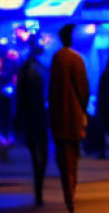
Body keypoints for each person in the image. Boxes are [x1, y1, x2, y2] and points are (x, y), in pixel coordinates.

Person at [49, 25, 89, 213]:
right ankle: (70, 194)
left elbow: (51, 91)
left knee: (62, 159)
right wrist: (83, 112)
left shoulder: (56, 59)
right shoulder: (76, 59)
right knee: (72, 158)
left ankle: (68, 192)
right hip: (72, 119)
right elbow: (83, 90)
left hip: (58, 119)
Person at [14, 41, 47, 207]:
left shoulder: (26, 72)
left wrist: (19, 120)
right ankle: (39, 192)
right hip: (40, 117)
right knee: (41, 155)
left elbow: (20, 100)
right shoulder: (40, 71)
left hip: (32, 118)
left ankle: (38, 192)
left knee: (37, 155)